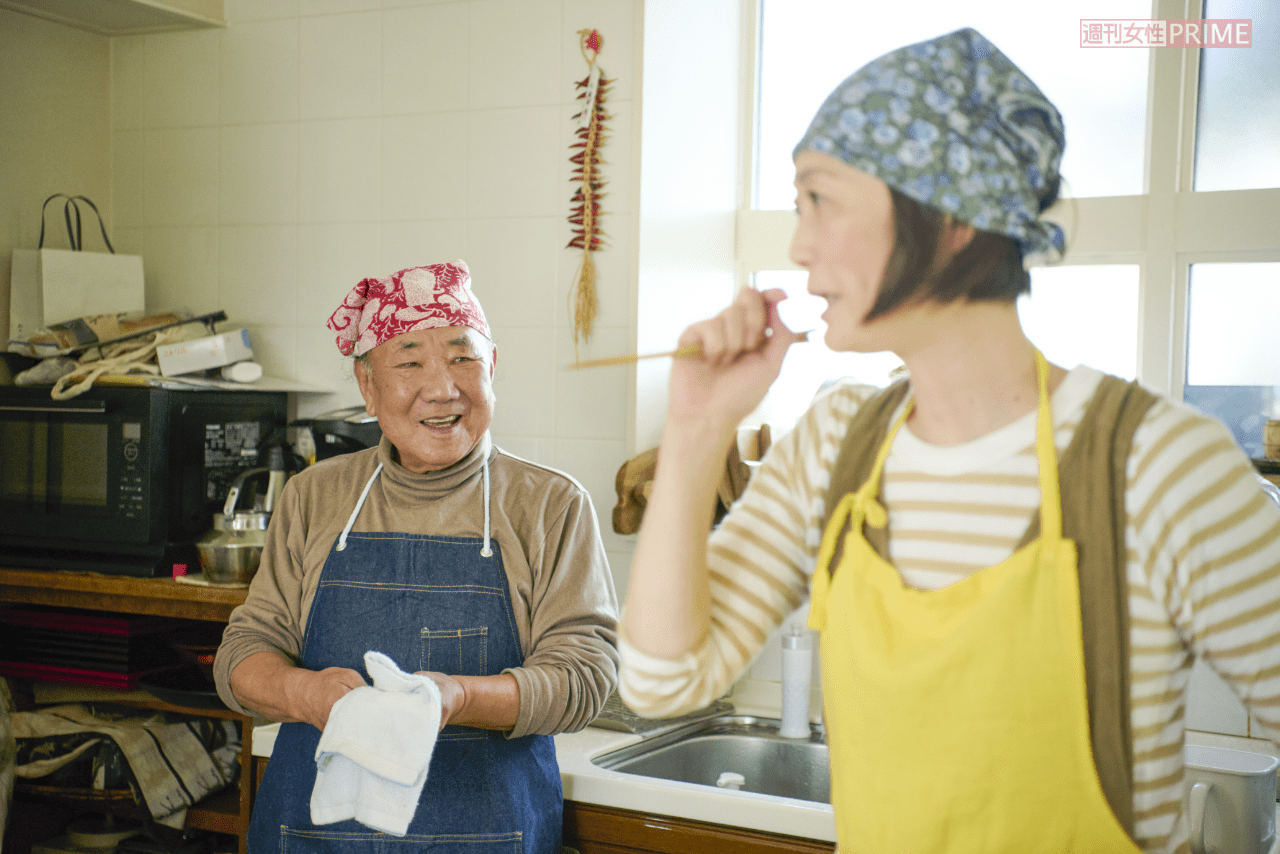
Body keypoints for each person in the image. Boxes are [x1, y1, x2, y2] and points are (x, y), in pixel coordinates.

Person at [617, 27, 1280, 854]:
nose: (798, 245)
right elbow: (661, 681)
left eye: (821, 200)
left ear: (952, 215)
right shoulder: (834, 448)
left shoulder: (1159, 465)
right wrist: (694, 427)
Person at [214, 259, 619, 853]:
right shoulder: (314, 496)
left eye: (463, 359)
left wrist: (459, 698)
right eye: (409, 363)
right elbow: (242, 656)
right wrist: (310, 695)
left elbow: (583, 677)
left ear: (492, 367)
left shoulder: (549, 505)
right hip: (312, 837)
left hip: (487, 837)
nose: (442, 389)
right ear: (367, 385)